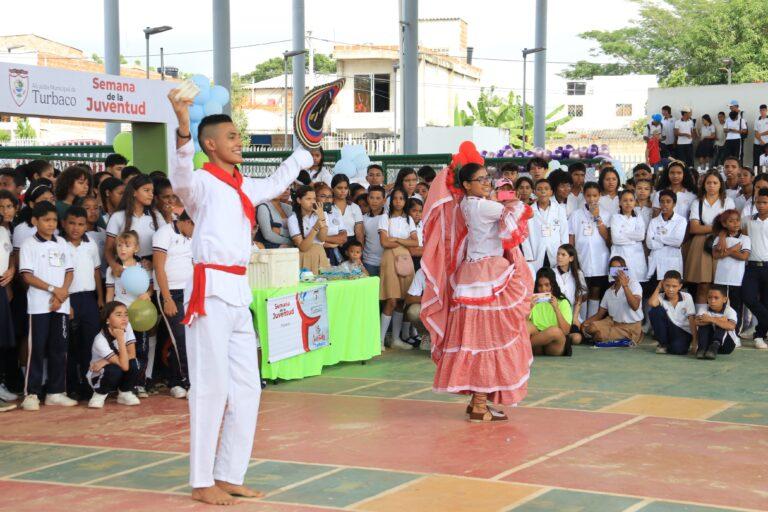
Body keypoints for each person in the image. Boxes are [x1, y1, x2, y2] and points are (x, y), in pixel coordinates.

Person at [168, 90, 313, 505]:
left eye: (239, 136)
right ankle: (201, 480)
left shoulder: (244, 185)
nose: (239, 142)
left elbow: (274, 183)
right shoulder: (199, 182)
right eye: (231, 136)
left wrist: (303, 155)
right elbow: (178, 172)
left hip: (237, 290)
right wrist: (182, 125)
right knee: (210, 387)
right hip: (209, 289)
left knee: (248, 387)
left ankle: (229, 473)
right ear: (209, 144)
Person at [420, 142, 533, 422]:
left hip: (474, 275)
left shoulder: (467, 205)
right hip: (487, 275)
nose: (486, 183)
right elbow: (519, 211)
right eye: (480, 180)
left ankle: (478, 400)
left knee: (476, 338)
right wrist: (510, 196)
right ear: (467, 185)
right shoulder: (482, 207)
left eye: (487, 179)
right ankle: (481, 403)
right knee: (488, 339)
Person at [19, 202, 77, 411]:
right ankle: (31, 393)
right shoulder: (29, 244)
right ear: (35, 221)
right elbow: (27, 275)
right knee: (37, 349)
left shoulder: (61, 242)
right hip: (39, 306)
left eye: (54, 220)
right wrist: (54, 289)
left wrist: (61, 294)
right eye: (46, 220)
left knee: (59, 349)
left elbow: (69, 272)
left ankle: (56, 391)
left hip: (60, 305)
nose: (51, 224)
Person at [62, 206, 103, 399]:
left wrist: (100, 298)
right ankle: (71, 386)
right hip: (67, 298)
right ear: (64, 223)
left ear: (86, 226)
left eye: (80, 224)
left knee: (90, 342)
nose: (76, 228)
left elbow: (96, 271)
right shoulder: (59, 244)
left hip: (89, 298)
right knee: (69, 345)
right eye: (71, 223)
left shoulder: (91, 244)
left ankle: (88, 385)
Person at [153, 210, 194, 399]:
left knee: (191, 339)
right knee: (180, 338)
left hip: (190, 293)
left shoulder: (192, 237)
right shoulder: (164, 233)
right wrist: (167, 298)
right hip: (172, 293)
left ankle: (178, 380)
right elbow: (159, 267)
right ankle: (187, 382)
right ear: (186, 221)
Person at [106, 231, 152, 395]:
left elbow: (149, 288)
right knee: (121, 350)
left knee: (142, 349)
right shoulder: (113, 270)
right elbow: (109, 295)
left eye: (127, 245)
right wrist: (108, 316)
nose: (122, 249)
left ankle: (139, 383)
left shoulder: (143, 267)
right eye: (119, 245)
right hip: (121, 318)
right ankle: (123, 386)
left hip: (140, 316)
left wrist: (148, 294)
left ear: (136, 248)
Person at [379, 186, 418, 351]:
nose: (398, 201)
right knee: (391, 299)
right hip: (389, 258)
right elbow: (385, 242)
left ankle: (396, 339)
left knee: (402, 300)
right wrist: (404, 240)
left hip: (405, 259)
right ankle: (379, 340)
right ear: (390, 200)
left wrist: (397, 239)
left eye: (401, 198)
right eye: (395, 198)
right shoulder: (384, 218)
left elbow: (415, 242)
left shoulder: (409, 219)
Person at [687, 171, 734, 307]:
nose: (711, 186)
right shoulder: (697, 202)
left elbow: (731, 226)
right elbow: (694, 228)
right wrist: (719, 227)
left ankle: (720, 318)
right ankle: (701, 319)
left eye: (715, 183)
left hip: (722, 242)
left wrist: (711, 228)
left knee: (720, 285)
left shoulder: (728, 201)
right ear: (704, 185)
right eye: (708, 183)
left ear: (720, 185)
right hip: (702, 244)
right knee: (703, 284)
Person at [105, 175, 166, 277]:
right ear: (134, 192)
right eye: (146, 190)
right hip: (125, 270)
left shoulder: (156, 215)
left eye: (152, 191)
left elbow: (165, 245)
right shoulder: (118, 216)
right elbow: (108, 249)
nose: (151, 194)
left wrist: (154, 263)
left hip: (151, 272)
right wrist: (114, 265)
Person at [86, 301, 141, 408]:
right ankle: (99, 394)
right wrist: (120, 338)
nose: (124, 318)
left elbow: (132, 354)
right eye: (118, 315)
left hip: (117, 368)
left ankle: (124, 392)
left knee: (135, 363)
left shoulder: (127, 326)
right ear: (107, 319)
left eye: (126, 314)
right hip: (98, 377)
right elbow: (124, 366)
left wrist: (105, 361)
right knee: (114, 369)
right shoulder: (100, 340)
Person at [569, 182, 611, 320]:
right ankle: (580, 322)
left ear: (600, 195)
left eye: (595, 195)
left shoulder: (606, 214)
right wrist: (572, 258)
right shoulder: (576, 215)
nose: (592, 199)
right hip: (582, 259)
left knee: (596, 291)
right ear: (584, 195)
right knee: (582, 292)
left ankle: (591, 323)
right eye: (588, 195)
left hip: (600, 260)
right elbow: (571, 238)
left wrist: (597, 217)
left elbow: (607, 238)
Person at [581, 256, 643, 344]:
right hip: (612, 322)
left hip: (630, 326)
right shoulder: (609, 291)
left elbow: (635, 306)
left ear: (625, 269)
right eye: (613, 269)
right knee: (590, 328)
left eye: (619, 268)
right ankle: (602, 334)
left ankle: (636, 336)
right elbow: (599, 314)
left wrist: (625, 286)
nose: (617, 272)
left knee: (599, 335)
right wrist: (584, 324)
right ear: (610, 272)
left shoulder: (634, 284)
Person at [713, 209, 750, 336]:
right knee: (719, 305)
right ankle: (719, 330)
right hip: (720, 278)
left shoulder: (745, 239)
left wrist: (726, 252)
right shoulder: (719, 238)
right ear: (724, 224)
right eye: (731, 221)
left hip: (737, 279)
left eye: (737, 220)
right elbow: (715, 255)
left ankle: (735, 333)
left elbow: (744, 256)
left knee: (736, 306)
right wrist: (733, 250)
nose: (735, 223)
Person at [742, 188, 768, 349]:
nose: (761, 205)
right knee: (748, 297)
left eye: (765, 202)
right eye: (758, 202)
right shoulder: (747, 220)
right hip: (751, 266)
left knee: (766, 302)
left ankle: (759, 335)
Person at [648, 270, 697, 355]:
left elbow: (692, 319)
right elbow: (652, 303)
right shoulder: (660, 296)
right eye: (667, 285)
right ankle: (663, 344)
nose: (670, 289)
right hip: (669, 330)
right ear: (663, 284)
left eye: (674, 286)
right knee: (655, 311)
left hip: (683, 331)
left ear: (680, 286)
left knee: (678, 350)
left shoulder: (687, 297)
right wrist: (658, 287)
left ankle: (670, 345)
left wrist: (695, 342)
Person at [528, 267, 573, 356]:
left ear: (553, 284)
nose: (543, 289)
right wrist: (529, 308)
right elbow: (523, 322)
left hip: (554, 345)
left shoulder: (562, 302)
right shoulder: (533, 300)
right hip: (538, 343)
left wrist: (556, 309)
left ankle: (521, 346)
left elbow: (566, 331)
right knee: (525, 325)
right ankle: (522, 345)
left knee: (554, 331)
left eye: (547, 285)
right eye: (540, 286)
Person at [646, 190, 687, 284]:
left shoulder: (681, 220)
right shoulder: (654, 221)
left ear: (674, 204)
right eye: (662, 201)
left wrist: (657, 238)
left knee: (671, 288)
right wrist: (667, 242)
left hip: (672, 260)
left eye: (668, 201)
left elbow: (677, 241)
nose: (664, 204)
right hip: (656, 261)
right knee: (655, 288)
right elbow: (649, 243)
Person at [529, 179, 568, 272]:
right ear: (534, 192)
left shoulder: (559, 209)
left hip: (555, 250)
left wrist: (564, 253)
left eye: (546, 189)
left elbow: (564, 232)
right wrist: (528, 255)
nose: (543, 191)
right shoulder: (529, 210)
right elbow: (525, 236)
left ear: (551, 192)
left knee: (555, 278)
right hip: (536, 250)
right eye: (539, 189)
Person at [289, 186, 329, 274]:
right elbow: (303, 247)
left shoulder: (322, 214)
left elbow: (322, 238)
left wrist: (321, 217)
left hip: (320, 254)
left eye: (314, 199)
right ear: (299, 200)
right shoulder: (293, 219)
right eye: (308, 199)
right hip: (303, 256)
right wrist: (315, 228)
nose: (312, 202)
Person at [610, 190, 647, 284]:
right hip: (619, 254)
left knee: (636, 283)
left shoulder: (639, 217)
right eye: (625, 200)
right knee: (618, 282)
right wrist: (634, 240)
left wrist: (624, 233)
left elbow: (641, 236)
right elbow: (616, 239)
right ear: (620, 202)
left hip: (636, 256)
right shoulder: (615, 217)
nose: (628, 203)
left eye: (631, 200)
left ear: (635, 202)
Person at [694, 285, 739, 359]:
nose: (712, 301)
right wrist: (718, 320)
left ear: (724, 299)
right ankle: (702, 349)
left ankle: (715, 345)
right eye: (709, 297)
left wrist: (711, 319)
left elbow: (731, 326)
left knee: (722, 324)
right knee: (708, 324)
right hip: (708, 345)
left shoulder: (729, 310)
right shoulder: (704, 308)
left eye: (716, 298)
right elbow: (697, 322)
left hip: (726, 345)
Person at [554, 244, 587, 328]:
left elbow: (579, 297)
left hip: (572, 314)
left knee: (577, 338)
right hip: (556, 313)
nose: (559, 257)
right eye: (558, 254)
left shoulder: (578, 273)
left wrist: (575, 318)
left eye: (563, 254)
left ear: (571, 258)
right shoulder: (552, 272)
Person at [330, 174, 364, 243]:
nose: (343, 191)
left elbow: (359, 234)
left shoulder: (354, 207)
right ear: (332, 189)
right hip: (331, 242)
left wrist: (359, 251)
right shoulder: (328, 207)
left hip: (351, 246)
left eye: (345, 188)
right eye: (339, 188)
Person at [362, 185, 386, 276]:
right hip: (369, 261)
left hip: (386, 261)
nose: (374, 201)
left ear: (384, 201)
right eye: (371, 198)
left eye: (378, 198)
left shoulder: (389, 217)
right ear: (368, 199)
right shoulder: (363, 218)